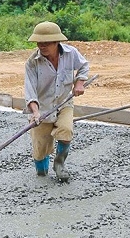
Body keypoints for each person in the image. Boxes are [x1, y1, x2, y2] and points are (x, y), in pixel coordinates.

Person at [23, 21, 90, 182]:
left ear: (56, 42)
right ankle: (41, 170)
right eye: (39, 43)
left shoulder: (71, 53)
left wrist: (79, 83)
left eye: (46, 43)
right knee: (41, 147)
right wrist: (35, 112)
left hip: (64, 102)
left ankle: (59, 164)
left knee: (66, 130)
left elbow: (84, 66)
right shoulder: (32, 63)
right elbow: (30, 90)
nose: (42, 46)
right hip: (42, 107)